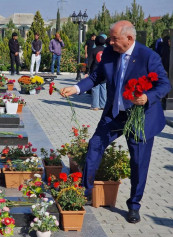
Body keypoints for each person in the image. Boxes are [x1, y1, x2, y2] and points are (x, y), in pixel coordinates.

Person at [60, 20, 171, 224]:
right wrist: (75, 89)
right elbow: (95, 77)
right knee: (95, 145)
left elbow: (164, 84)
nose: (109, 42)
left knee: (138, 162)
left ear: (129, 38)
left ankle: (134, 205)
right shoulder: (110, 54)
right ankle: (86, 191)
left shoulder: (148, 56)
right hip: (114, 114)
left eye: (114, 38)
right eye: (110, 38)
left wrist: (147, 97)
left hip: (141, 117)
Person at [86, 35, 107, 110]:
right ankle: (103, 105)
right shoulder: (106, 50)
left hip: (95, 70)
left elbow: (90, 61)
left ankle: (95, 105)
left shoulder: (93, 50)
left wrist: (87, 70)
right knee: (103, 88)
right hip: (104, 71)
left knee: (95, 87)